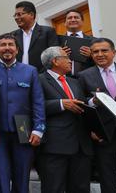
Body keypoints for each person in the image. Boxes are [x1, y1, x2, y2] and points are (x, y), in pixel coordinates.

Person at [0, 34, 45, 193]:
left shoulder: (30, 71)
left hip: (24, 131)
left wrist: (38, 129)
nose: (7, 48)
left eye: (11, 44)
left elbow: (38, 102)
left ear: (17, 49)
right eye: (2, 45)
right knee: (0, 175)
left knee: (22, 176)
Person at [39, 46, 92, 193]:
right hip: (55, 146)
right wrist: (61, 104)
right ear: (55, 61)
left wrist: (93, 101)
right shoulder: (39, 80)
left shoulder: (74, 81)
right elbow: (33, 106)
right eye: (66, 58)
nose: (70, 61)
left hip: (81, 146)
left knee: (80, 188)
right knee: (53, 188)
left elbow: (82, 104)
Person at [79, 38, 116, 193]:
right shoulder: (83, 76)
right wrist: (93, 101)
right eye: (95, 51)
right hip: (103, 135)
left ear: (114, 52)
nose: (99, 54)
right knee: (108, 180)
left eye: (104, 50)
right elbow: (81, 104)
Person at [11, 1, 58, 72]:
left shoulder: (47, 32)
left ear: (31, 14)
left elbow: (53, 56)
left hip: (41, 76)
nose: (16, 18)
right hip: (19, 77)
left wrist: (43, 75)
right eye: (15, 15)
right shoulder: (12, 35)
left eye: (19, 14)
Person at [62, 9, 94, 77]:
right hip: (67, 80)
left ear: (82, 21)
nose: (73, 20)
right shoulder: (57, 41)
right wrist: (61, 56)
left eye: (76, 17)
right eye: (69, 18)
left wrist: (92, 55)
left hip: (90, 78)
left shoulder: (94, 41)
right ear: (64, 23)